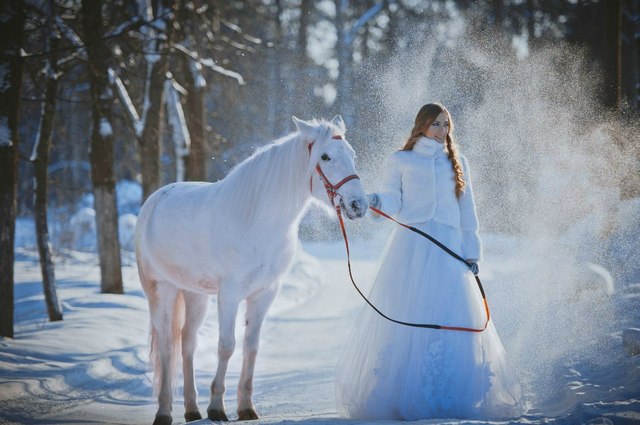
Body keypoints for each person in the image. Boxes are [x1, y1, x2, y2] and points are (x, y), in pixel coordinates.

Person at [335, 103, 525, 420]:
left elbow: (468, 212)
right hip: (413, 245)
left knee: (451, 311)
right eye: (436, 124)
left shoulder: (457, 162)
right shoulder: (401, 160)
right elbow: (392, 200)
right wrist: (375, 202)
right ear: (422, 125)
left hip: (449, 248)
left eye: (446, 124)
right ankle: (402, 394)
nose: (441, 130)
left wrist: (471, 251)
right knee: (410, 313)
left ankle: (448, 392)